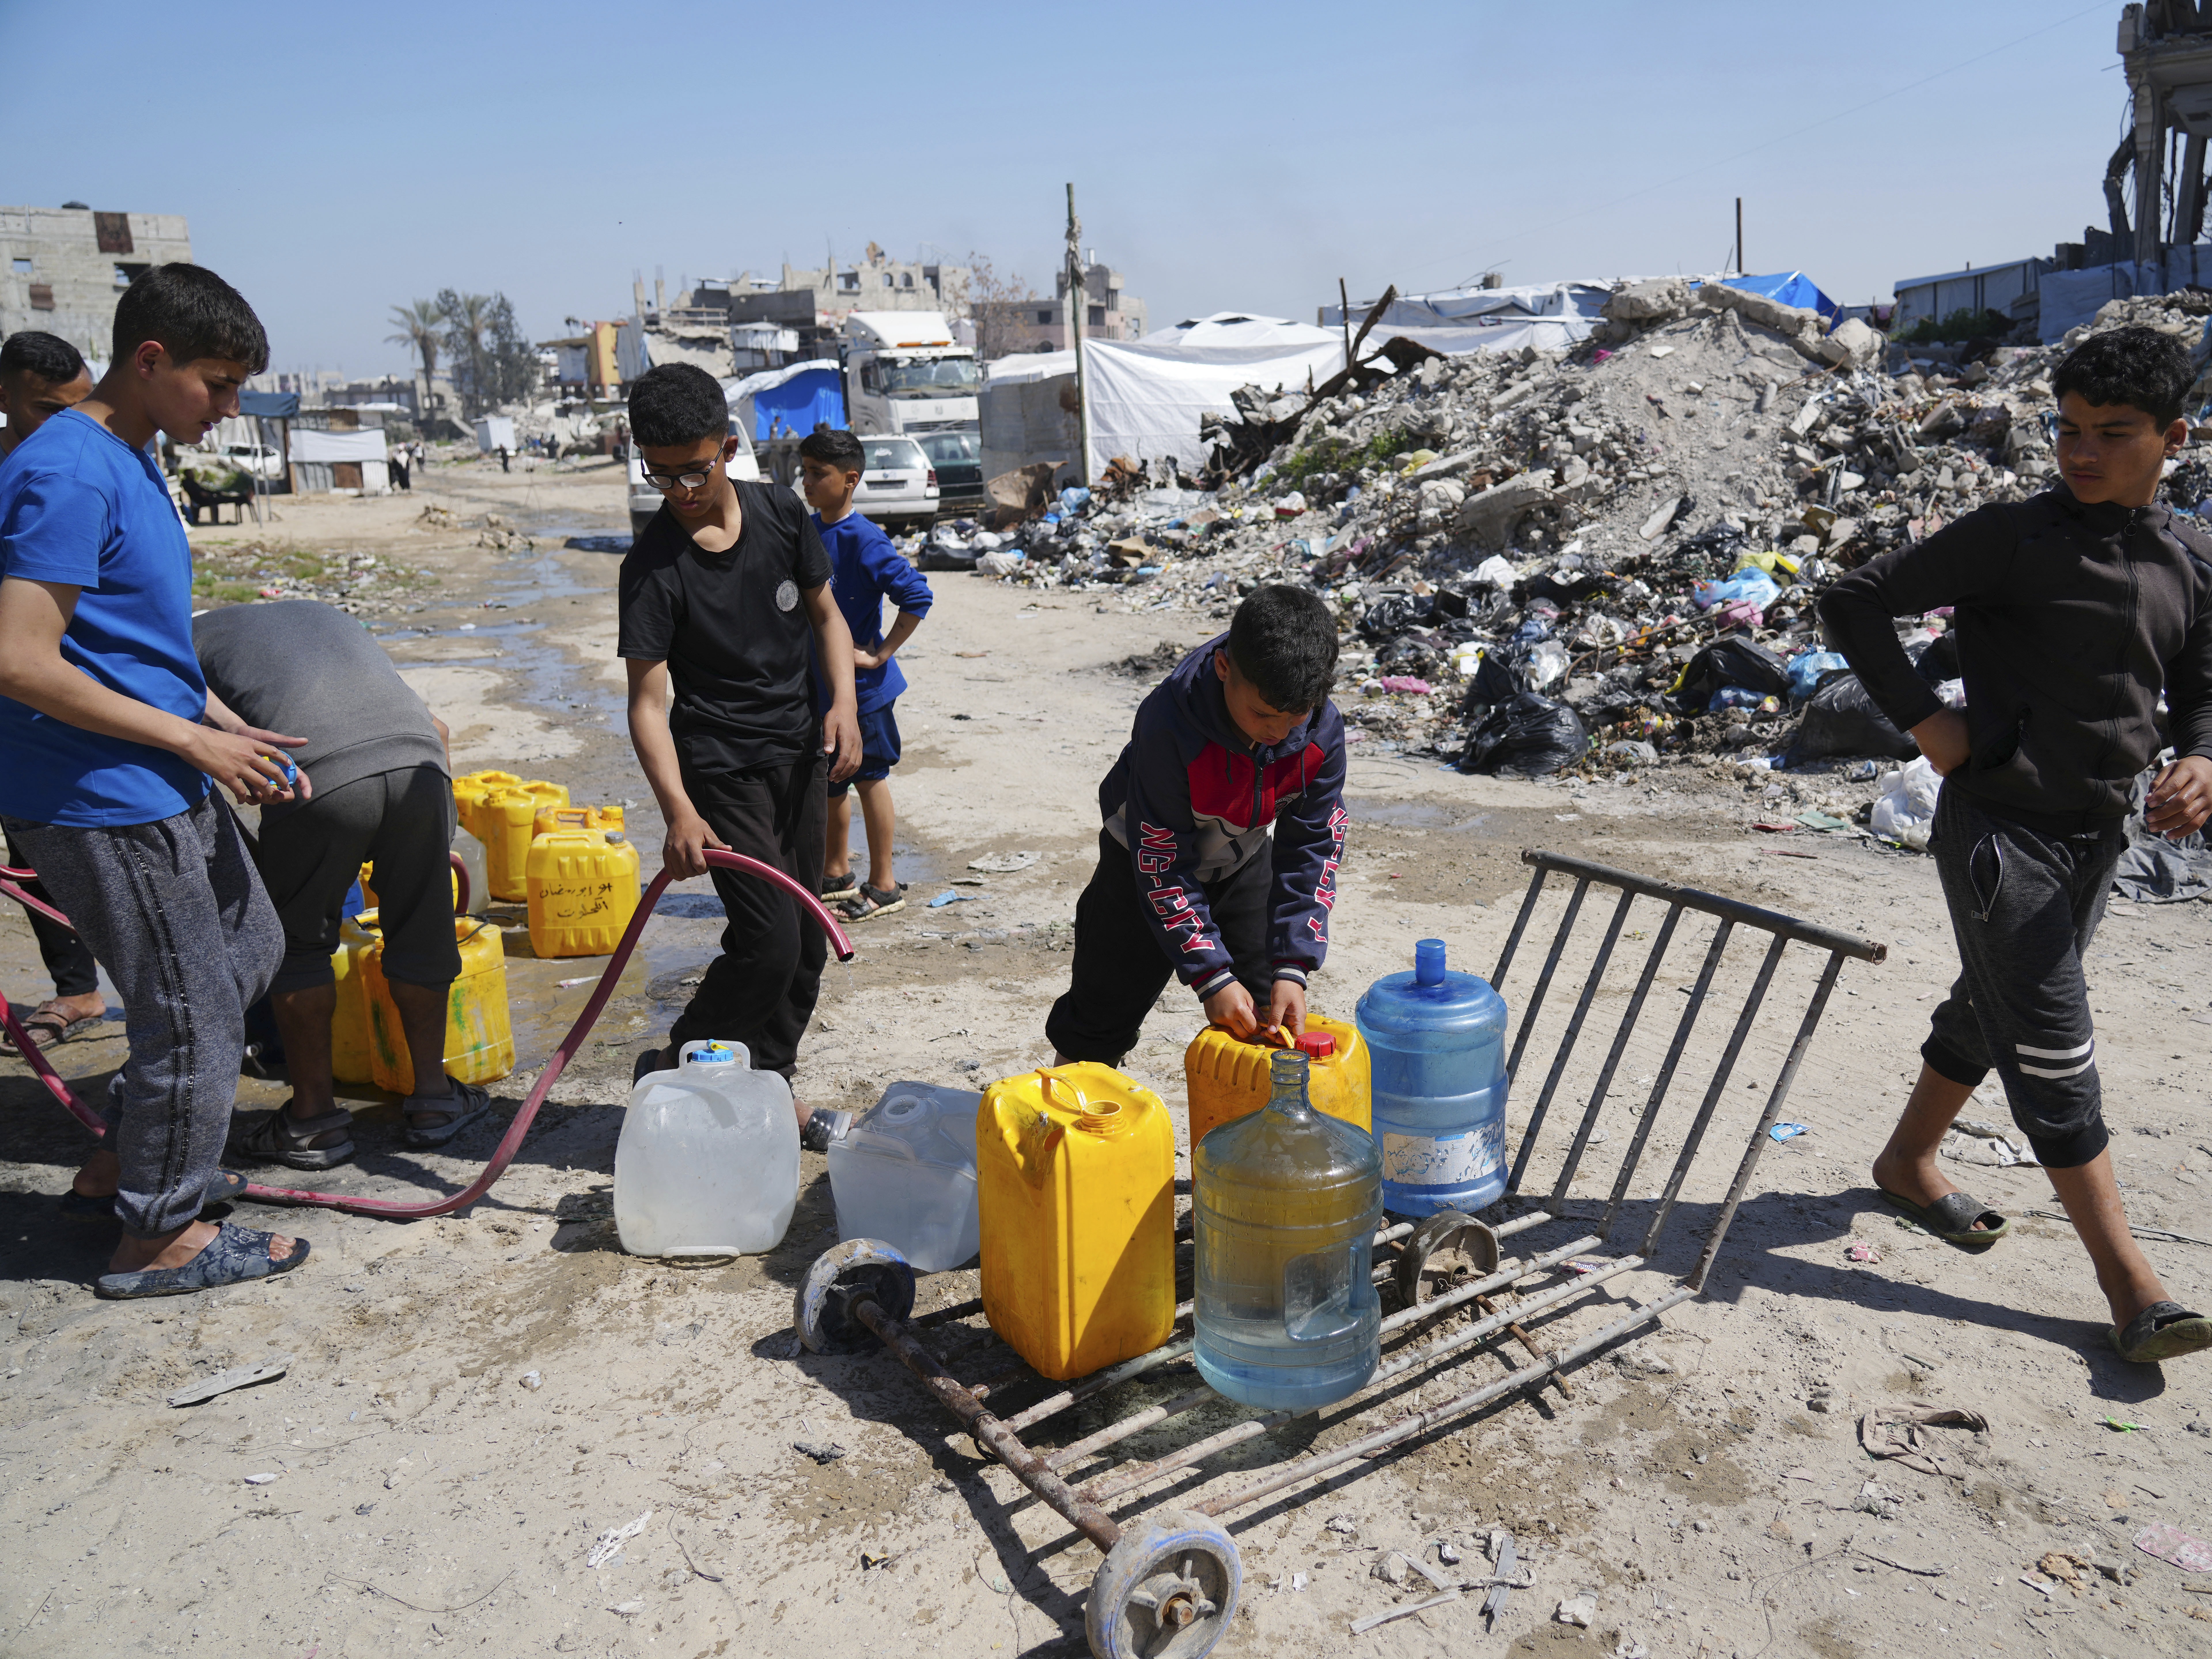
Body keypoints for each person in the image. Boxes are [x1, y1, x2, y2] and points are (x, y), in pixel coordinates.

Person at [1820, 324, 2212, 1367]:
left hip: (2099, 834)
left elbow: (2203, 690)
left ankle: (1908, 1162)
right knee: (2053, 1044)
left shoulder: (2190, 557)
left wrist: (2202, 761)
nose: (2081, 453)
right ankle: (2132, 1285)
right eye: (2067, 430)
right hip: (2002, 832)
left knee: (1994, 1005)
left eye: (2112, 434)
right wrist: (1927, 721)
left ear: (2175, 436)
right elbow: (1853, 597)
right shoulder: (2013, 537)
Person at [0, 264, 309, 1298]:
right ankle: (157, 1240)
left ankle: (123, 1167)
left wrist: (222, 724)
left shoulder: (131, 456)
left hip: (161, 769)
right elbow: (22, 661)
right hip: (101, 792)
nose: (228, 411)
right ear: (150, 360)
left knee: (249, 950)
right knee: (191, 1013)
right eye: (216, 386)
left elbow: (130, 639)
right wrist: (191, 746)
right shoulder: (69, 471)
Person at [616, 363, 862, 1151]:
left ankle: (770, 1080)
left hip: (799, 757)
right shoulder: (652, 568)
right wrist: (679, 811)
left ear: (728, 447)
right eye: (662, 473)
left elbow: (826, 615)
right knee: (770, 939)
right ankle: (678, 1057)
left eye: (696, 468)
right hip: (719, 771)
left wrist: (844, 704)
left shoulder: (782, 513)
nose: (682, 488)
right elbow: (648, 705)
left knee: (811, 936)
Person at [195, 600, 479, 1169]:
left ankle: (314, 1121)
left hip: (316, 776)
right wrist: (427, 836)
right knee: (422, 932)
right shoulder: (324, 617)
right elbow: (439, 728)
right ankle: (433, 1100)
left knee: (299, 947)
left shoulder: (177, 643)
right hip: (422, 764)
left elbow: (192, 755)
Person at [1045, 585, 1347, 1067]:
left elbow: (1313, 845)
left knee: (1270, 1014)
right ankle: (1074, 1118)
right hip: (1141, 867)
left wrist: (1293, 964)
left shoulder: (1321, 732)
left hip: (1243, 860)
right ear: (1225, 668)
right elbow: (1163, 864)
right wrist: (1211, 977)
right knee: (1097, 1025)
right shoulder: (1169, 724)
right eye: (1263, 715)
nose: (1278, 733)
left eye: (1296, 717)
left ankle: (1254, 1137)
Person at [0, 330, 104, 1050]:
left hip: (50, 691)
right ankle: (78, 988)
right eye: (46, 409)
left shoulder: (81, 468)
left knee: (47, 843)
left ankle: (84, 988)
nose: (66, 425)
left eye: (78, 407)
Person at [797, 424, 933, 918]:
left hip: (866, 692)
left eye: (818, 473)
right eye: (804, 472)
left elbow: (918, 596)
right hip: (825, 688)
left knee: (870, 777)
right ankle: (835, 872)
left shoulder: (864, 539)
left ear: (850, 480)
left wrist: (880, 654)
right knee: (832, 778)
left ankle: (884, 885)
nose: (807, 482)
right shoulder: (809, 529)